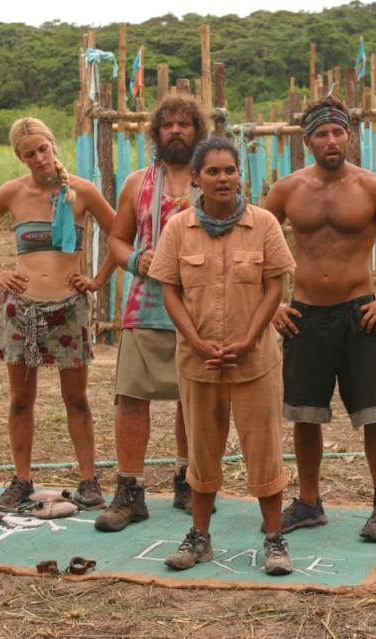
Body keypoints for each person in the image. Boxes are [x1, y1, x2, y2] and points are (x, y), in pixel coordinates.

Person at [265, 96, 376, 543]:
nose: (331, 141)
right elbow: (254, 243)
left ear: (350, 136)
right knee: (305, 414)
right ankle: (309, 501)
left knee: (374, 413)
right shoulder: (287, 190)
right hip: (305, 315)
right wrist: (274, 305)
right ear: (307, 141)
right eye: (322, 134)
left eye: (338, 132)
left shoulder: (373, 188)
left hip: (360, 316)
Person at [149, 137, 295, 575]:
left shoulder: (264, 223)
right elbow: (170, 289)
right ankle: (199, 537)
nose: (222, 178)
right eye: (212, 171)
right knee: (202, 453)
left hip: (255, 363)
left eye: (229, 170)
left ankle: (274, 538)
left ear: (239, 174)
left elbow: (275, 286)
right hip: (198, 363)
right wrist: (195, 340)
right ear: (196, 178)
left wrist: (250, 339)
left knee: (264, 450)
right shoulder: (178, 228)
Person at [0, 117, 117, 512]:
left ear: (54, 145)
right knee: (22, 398)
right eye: (28, 154)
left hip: (69, 309)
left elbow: (121, 234)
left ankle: (89, 480)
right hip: (22, 310)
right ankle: (21, 479)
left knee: (77, 398)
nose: (38, 158)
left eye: (43, 148)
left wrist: (97, 279)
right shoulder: (12, 193)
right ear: (20, 158)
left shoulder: (82, 193)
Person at [95, 96, 207, 532]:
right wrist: (137, 260)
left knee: (191, 397)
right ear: (156, 133)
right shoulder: (137, 183)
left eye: (184, 124)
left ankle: (188, 478)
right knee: (130, 397)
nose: (176, 131)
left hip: (199, 306)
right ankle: (130, 490)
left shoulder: (213, 179)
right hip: (145, 306)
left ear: (197, 130)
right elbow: (117, 241)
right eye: (168, 125)